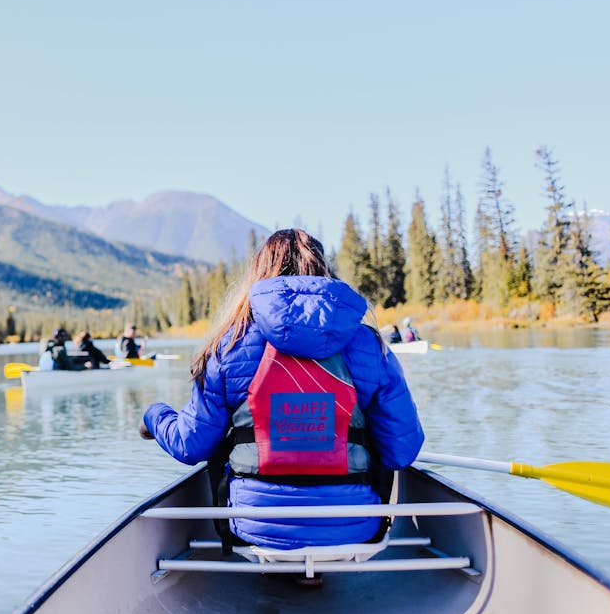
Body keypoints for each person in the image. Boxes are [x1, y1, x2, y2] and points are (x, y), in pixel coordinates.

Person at [139, 228, 424, 552]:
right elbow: (403, 450)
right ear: (323, 271)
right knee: (373, 426)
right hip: (355, 524)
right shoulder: (369, 345)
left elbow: (191, 445)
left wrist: (154, 415)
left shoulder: (229, 346)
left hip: (253, 526)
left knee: (220, 439)